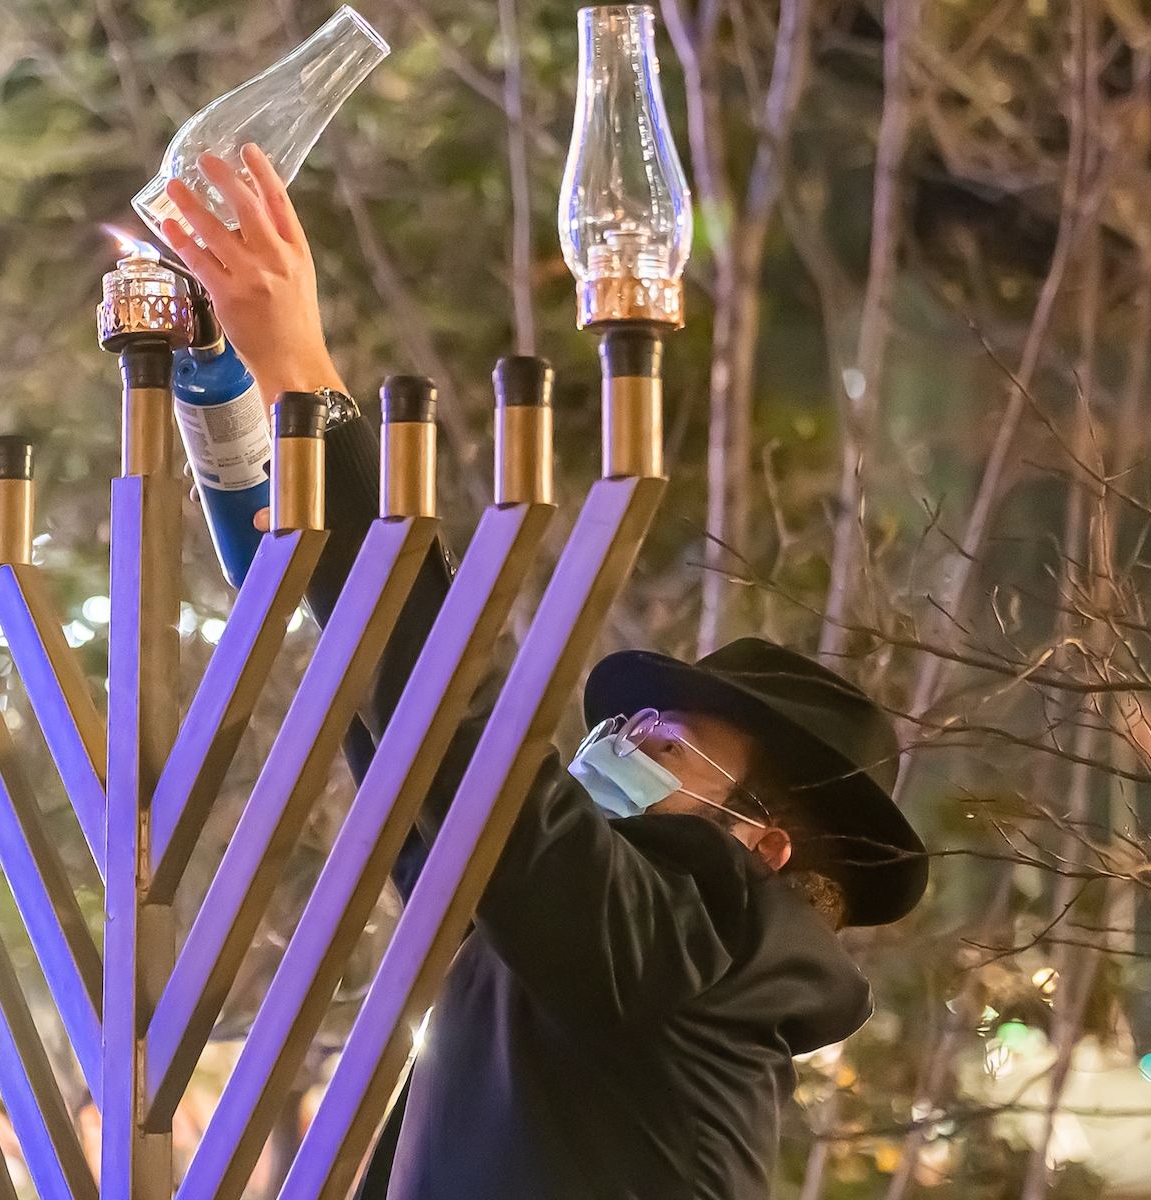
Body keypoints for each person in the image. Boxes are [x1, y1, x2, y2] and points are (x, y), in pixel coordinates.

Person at [154, 146, 929, 1200]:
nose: (614, 741)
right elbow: (387, 707)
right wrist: (230, 402)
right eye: (628, 721)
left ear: (759, 843)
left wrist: (312, 382)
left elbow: (469, 749)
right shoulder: (545, 936)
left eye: (664, 742)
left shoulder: (697, 952)